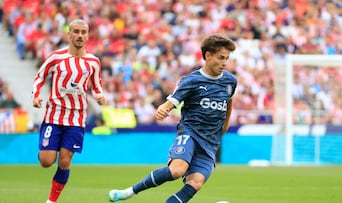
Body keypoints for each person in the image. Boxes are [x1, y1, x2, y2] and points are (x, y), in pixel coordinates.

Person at [108, 34, 237, 202]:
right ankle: (130, 192)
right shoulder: (192, 80)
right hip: (190, 133)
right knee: (177, 171)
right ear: (207, 55)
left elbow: (229, 102)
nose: (225, 63)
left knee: (196, 182)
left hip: (210, 142)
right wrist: (164, 108)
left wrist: (225, 127)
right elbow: (172, 101)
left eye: (227, 58)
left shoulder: (230, 81)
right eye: (221, 58)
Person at [32, 19, 106, 203]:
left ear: (88, 36)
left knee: (65, 161)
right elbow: (40, 77)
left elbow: (96, 85)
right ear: (69, 34)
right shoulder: (56, 57)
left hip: (77, 118)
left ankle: (51, 201)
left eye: (83, 32)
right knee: (46, 161)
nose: (80, 35)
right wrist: (35, 95)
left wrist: (99, 96)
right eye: (76, 32)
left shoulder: (94, 62)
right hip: (54, 115)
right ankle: (45, 148)